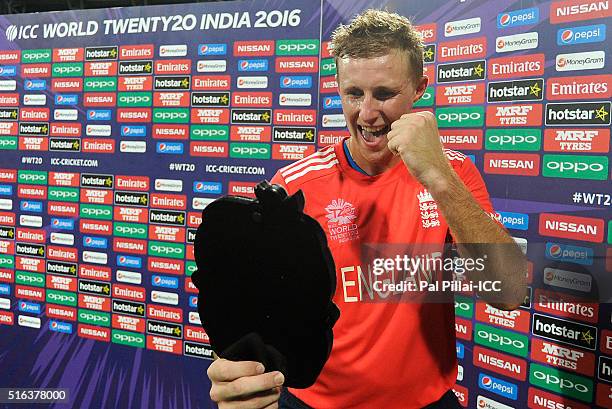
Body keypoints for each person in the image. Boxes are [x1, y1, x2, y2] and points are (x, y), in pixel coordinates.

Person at [206, 9, 527, 409]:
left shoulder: (454, 171)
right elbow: (254, 302)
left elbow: (510, 291)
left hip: (428, 401)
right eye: (354, 94)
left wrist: (439, 180)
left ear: (419, 88)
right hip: (315, 403)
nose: (368, 113)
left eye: (385, 94)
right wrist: (235, 369)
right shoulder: (297, 185)